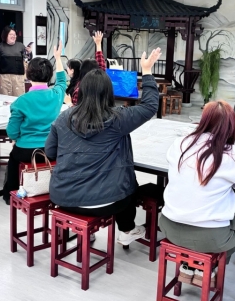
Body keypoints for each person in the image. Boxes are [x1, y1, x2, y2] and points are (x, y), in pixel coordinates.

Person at [46, 47, 162, 245]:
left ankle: (86, 232)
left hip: (64, 196)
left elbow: (50, 152)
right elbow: (150, 106)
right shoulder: (118, 118)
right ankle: (127, 229)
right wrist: (147, 71)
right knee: (128, 184)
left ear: (81, 90)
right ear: (109, 92)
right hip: (107, 202)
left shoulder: (63, 118)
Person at [160, 100, 235, 285]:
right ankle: (208, 267)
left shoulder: (180, 144)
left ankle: (189, 265)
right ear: (231, 126)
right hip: (210, 237)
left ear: (203, 120)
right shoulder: (231, 156)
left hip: (168, 226)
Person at [2, 40, 67, 204]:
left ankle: (10, 195)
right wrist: (58, 58)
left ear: (28, 74)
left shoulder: (21, 101)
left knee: (13, 159)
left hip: (26, 150)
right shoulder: (56, 95)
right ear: (49, 76)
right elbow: (62, 81)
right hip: (52, 149)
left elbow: (12, 132)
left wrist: (16, 139)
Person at [70, 31, 106, 105]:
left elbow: (75, 109)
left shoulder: (79, 90)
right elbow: (101, 65)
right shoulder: (101, 83)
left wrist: (68, 103)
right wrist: (98, 44)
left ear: (82, 70)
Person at [0, 26, 26, 96]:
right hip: (4, 78)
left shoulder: (20, 46)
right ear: (5, 35)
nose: (13, 36)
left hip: (18, 78)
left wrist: (29, 52)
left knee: (19, 98)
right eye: (11, 34)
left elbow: (27, 58)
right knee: (5, 98)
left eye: (14, 34)